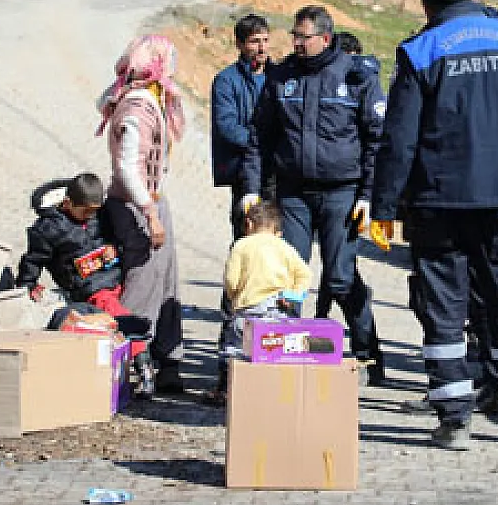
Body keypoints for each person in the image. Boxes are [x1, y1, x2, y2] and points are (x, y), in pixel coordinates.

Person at [370, 0, 498, 449]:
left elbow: (400, 139)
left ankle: (455, 419)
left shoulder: (421, 50)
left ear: (427, 4)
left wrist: (384, 206)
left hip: (441, 202)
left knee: (444, 308)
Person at [240, 5, 387, 384]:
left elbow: (375, 140)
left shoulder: (356, 76)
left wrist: (369, 195)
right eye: (294, 35)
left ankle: (368, 352)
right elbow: (259, 137)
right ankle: (290, 349)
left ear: (325, 37)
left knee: (339, 277)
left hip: (343, 193)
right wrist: (251, 190)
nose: (296, 43)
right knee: (289, 274)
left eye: (303, 37)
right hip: (294, 194)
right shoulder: (282, 77)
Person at [98, 34, 188, 393]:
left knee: (165, 278)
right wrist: (150, 215)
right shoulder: (137, 108)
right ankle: (126, 357)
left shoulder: (151, 100)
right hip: (137, 205)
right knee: (143, 280)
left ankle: (167, 359)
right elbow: (127, 168)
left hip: (152, 199)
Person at [15, 173, 154, 394]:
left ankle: (133, 360)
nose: (90, 216)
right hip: (89, 289)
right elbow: (33, 259)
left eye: (94, 212)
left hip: (114, 277)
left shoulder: (100, 217)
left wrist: (113, 249)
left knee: (118, 312)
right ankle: (144, 364)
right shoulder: (49, 229)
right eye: (86, 211)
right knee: (117, 318)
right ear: (68, 203)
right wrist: (27, 285)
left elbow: (112, 237)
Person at [205, 201, 312, 405]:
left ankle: (230, 391)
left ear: (249, 224)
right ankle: (272, 394)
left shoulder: (242, 245)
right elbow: (304, 274)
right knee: (273, 351)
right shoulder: (285, 247)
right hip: (278, 310)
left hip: (248, 310)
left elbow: (231, 279)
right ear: (277, 230)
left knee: (235, 351)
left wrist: (234, 294)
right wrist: (292, 296)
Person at [211, 14, 271, 242]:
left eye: (265, 40)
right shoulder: (226, 81)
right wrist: (261, 144)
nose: (262, 47)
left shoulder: (279, 76)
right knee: (246, 234)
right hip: (243, 170)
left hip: (276, 171)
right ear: (240, 44)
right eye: (255, 41)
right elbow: (227, 126)